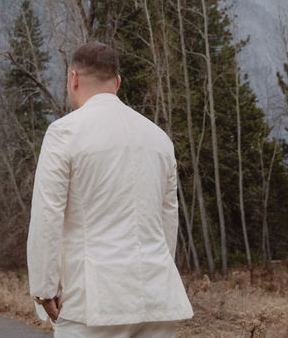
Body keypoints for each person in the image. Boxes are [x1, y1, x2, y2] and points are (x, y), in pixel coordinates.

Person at [27, 42, 193, 337]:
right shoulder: (158, 138)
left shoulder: (64, 133)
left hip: (93, 299)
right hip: (155, 294)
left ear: (73, 79)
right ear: (117, 82)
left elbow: (47, 215)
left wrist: (44, 289)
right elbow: (168, 221)